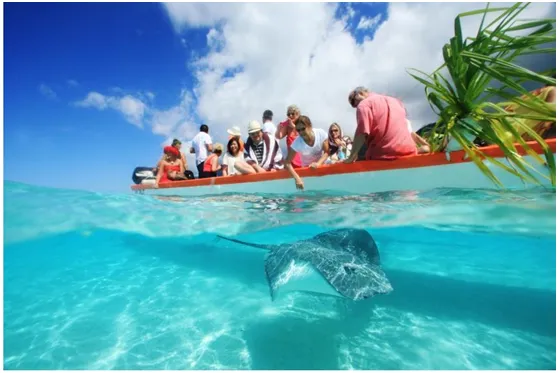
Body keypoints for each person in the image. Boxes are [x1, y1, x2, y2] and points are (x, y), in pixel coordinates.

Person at [345, 86, 417, 162]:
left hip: (383, 155)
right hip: (410, 151)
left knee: (361, 149)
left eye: (353, 101)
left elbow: (362, 132)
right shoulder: (396, 101)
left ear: (360, 93)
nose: (355, 106)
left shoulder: (363, 105)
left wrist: (351, 157)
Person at [285, 115, 329, 190]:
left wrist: (318, 164)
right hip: (307, 171)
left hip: (322, 166)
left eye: (303, 128)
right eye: (298, 130)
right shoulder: (297, 142)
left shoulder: (320, 133)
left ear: (310, 126)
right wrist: (297, 178)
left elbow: (327, 152)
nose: (301, 132)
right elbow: (287, 163)